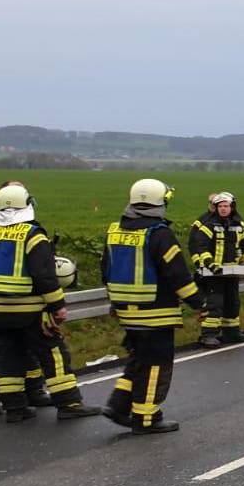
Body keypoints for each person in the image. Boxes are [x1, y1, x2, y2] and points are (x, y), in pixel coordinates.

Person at [100, 179, 206, 434]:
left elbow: (106, 269)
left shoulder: (114, 231)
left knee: (139, 360)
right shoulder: (160, 234)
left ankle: (118, 405)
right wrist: (199, 302)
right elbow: (177, 274)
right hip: (156, 313)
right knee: (156, 366)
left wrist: (116, 301)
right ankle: (146, 417)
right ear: (160, 203)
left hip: (127, 312)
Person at [0, 184, 100, 422]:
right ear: (26, 204)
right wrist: (57, 305)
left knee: (10, 355)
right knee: (54, 353)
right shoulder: (33, 235)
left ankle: (14, 408)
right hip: (29, 309)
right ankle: (69, 403)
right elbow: (45, 275)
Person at [188, 191, 244, 348]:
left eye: (226, 206)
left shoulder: (238, 226)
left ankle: (231, 333)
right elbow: (200, 246)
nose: (223, 209)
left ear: (232, 207)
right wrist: (210, 264)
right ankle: (208, 335)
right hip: (213, 273)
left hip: (231, 273)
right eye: (220, 206)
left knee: (233, 303)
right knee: (214, 304)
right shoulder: (208, 226)